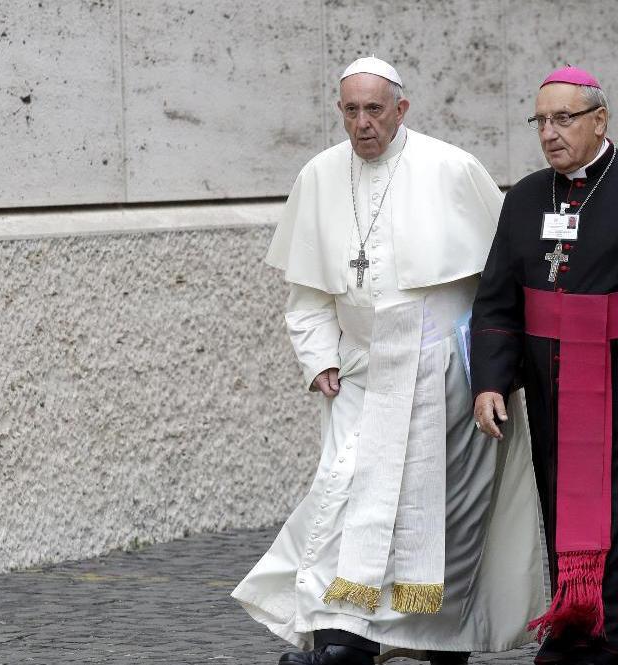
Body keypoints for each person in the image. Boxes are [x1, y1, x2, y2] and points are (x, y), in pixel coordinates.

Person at [231, 56, 545, 665]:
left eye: (375, 109)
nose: (362, 122)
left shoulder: (451, 168)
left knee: (442, 508)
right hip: (361, 373)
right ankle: (339, 633)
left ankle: (438, 636)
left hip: (445, 377)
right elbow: (307, 293)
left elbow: (500, 283)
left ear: (401, 109)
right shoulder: (321, 175)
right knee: (345, 494)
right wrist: (318, 355)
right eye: (351, 110)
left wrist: (496, 369)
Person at [470, 66, 618, 665]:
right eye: (541, 121)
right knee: (563, 510)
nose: (550, 133)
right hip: (554, 388)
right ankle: (575, 623)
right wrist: (491, 382)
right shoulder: (526, 196)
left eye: (564, 119)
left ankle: (615, 639)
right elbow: (499, 298)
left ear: (599, 120)